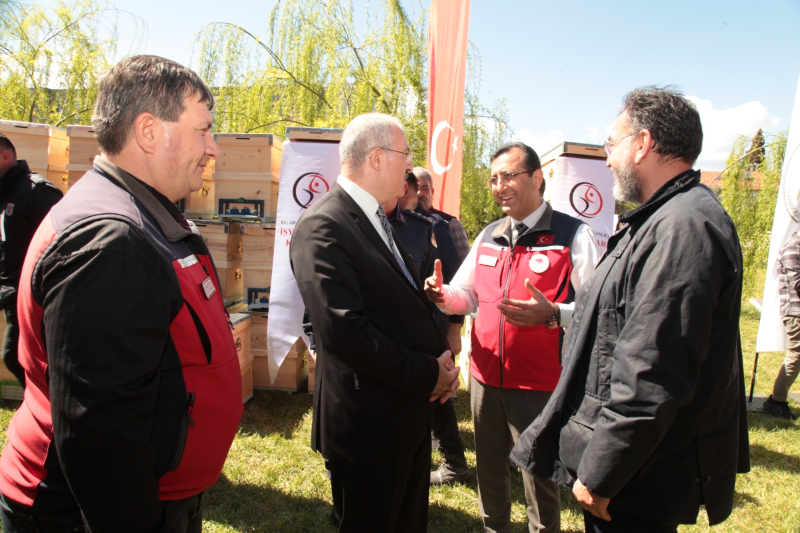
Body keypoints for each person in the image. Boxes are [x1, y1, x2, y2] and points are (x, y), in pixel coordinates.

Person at [0, 55, 244, 533]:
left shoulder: (138, 212)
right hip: (82, 513)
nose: (213, 148)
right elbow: (100, 440)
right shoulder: (110, 242)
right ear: (149, 132)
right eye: (204, 130)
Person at [511, 86, 750, 533]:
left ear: (642, 144)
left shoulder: (683, 227)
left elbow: (654, 371)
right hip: (635, 468)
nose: (606, 159)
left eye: (611, 144)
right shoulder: (664, 218)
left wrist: (603, 472)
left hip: (636, 479)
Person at [290, 112, 460, 533]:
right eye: (406, 155)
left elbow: (392, 305)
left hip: (403, 417)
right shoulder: (324, 225)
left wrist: (439, 357)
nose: (410, 167)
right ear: (378, 158)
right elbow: (345, 333)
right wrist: (427, 374)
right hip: (369, 429)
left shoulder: (374, 216)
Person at [425, 141, 600, 533]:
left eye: (508, 175)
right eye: (492, 178)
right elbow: (466, 295)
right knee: (490, 470)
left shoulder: (572, 235)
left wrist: (555, 313)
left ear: (537, 178)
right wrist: (442, 295)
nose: (499, 185)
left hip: (542, 383)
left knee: (539, 478)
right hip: (486, 379)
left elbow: (598, 309)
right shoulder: (489, 234)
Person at [380, 175, 472, 486]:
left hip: (431, 328)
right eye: (413, 185)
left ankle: (454, 462)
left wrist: (454, 331)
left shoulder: (434, 227)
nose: (418, 192)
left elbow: (458, 279)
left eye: (423, 186)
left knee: (437, 394)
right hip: (393, 334)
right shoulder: (377, 225)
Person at [0, 134, 62, 387]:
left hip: (34, 297)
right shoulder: (6, 192)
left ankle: (52, 414)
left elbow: (66, 243)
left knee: (17, 358)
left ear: (4, 156)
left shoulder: (36, 191)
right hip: (11, 295)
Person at [763, 231, 800, 420]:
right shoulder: (794, 247)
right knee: (796, 356)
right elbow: (798, 284)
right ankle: (776, 401)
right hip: (796, 312)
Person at [415, 167, 470, 262]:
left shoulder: (450, 223)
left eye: (425, 189)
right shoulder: (402, 222)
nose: (420, 193)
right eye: (415, 189)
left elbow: (466, 265)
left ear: (432, 192)